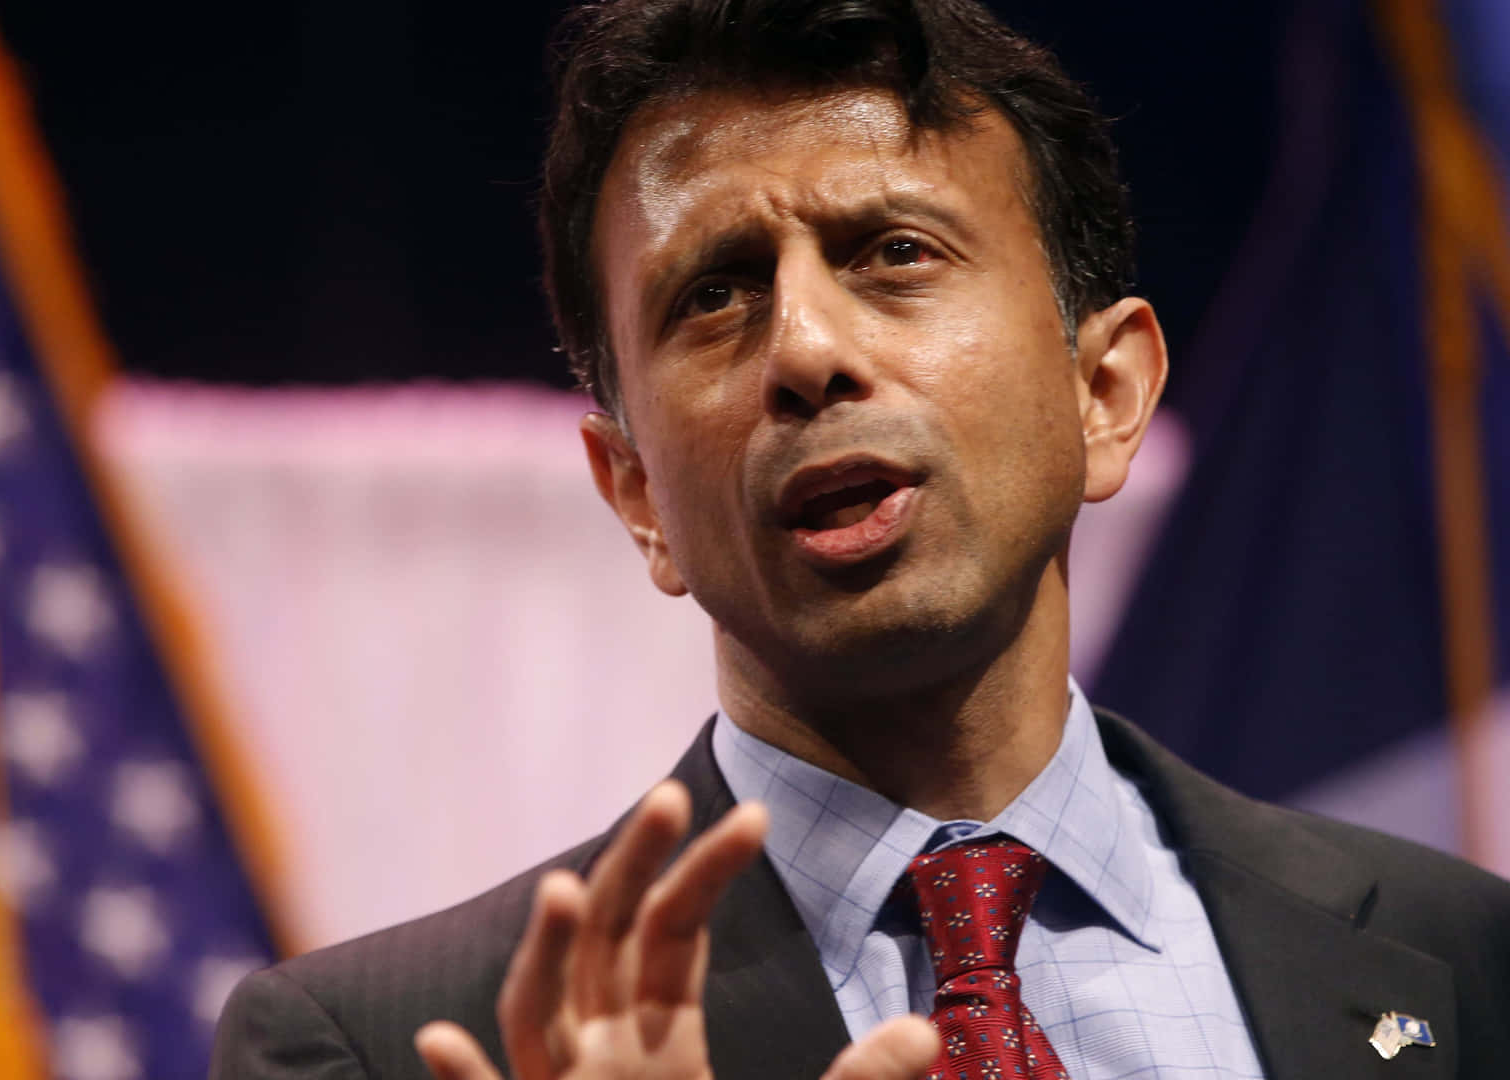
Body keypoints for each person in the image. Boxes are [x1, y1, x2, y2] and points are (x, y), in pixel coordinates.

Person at [213, 0, 1510, 1077]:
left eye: (893, 252)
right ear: (637, 498)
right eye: (713, 294)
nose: (807, 353)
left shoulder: (1458, 962)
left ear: (1104, 394)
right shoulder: (390, 1047)